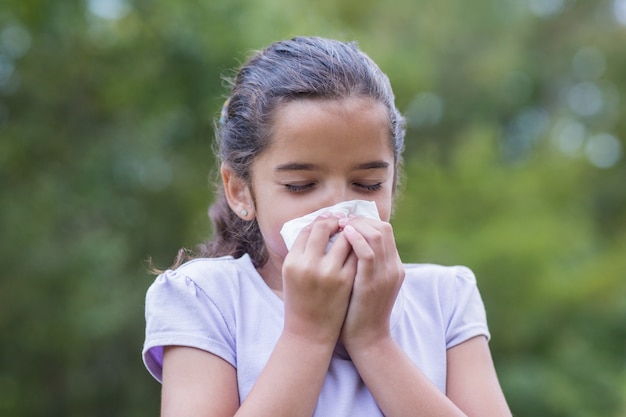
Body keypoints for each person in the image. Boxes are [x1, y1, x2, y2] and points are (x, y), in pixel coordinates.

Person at [142, 36, 512, 417]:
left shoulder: (445, 299)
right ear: (240, 191)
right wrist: (308, 334)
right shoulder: (205, 299)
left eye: (367, 184)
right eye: (300, 186)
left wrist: (373, 341)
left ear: (393, 183)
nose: (338, 208)